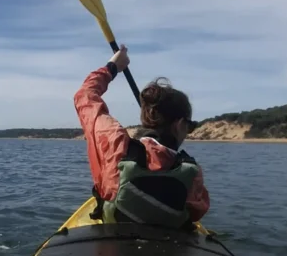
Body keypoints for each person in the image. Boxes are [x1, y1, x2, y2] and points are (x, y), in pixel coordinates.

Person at [74, 44, 209, 229]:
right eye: (190, 126)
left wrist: (113, 66)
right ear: (179, 125)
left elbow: (85, 96)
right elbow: (197, 211)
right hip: (169, 248)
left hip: (114, 243)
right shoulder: (193, 173)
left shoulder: (115, 143)